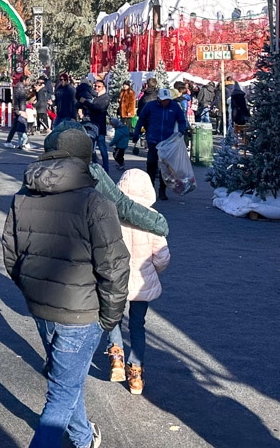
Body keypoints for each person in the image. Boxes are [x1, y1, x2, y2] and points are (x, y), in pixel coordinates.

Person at [2, 128, 129, 448]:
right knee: (61, 393)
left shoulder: (24, 195)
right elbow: (114, 266)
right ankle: (76, 437)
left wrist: (31, 290)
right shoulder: (96, 202)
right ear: (85, 160)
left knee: (65, 383)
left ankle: (83, 437)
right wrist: (110, 317)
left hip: (43, 305)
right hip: (82, 311)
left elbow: (10, 253)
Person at [104, 169, 171, 396]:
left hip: (116, 279)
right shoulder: (150, 218)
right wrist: (154, 271)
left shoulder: (112, 215)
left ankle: (116, 358)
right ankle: (136, 375)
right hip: (142, 282)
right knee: (137, 325)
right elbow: (162, 256)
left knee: (112, 319)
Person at [132, 87, 189, 201]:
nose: (165, 102)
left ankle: (162, 190)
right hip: (153, 139)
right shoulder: (150, 106)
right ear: (158, 98)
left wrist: (181, 132)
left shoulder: (174, 107)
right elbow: (141, 119)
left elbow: (182, 120)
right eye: (163, 100)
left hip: (167, 142)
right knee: (151, 164)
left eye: (167, 100)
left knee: (166, 167)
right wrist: (136, 133)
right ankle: (150, 187)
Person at [81, 78, 111, 171]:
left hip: (100, 126)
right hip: (92, 126)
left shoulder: (105, 97)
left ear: (103, 87)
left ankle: (105, 169)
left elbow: (98, 108)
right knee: (91, 147)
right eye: (95, 86)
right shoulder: (95, 97)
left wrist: (85, 102)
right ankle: (95, 167)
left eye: (99, 86)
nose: (96, 88)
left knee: (102, 148)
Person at [4, 76, 29, 146]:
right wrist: (22, 110)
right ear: (24, 80)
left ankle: (9, 141)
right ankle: (26, 142)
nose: (28, 82)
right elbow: (22, 100)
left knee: (15, 126)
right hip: (20, 109)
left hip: (17, 108)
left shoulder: (17, 86)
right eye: (27, 80)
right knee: (23, 125)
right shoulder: (21, 88)